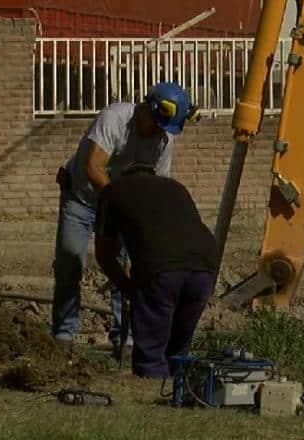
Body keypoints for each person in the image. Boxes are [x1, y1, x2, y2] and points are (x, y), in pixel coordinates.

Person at [51, 81, 199, 351]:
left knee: (127, 270)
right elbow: (94, 167)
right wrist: (123, 206)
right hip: (82, 199)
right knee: (70, 262)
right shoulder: (115, 118)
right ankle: (64, 334)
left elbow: (157, 188)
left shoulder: (163, 140)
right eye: (156, 125)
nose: (158, 133)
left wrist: (141, 228)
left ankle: (126, 338)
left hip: (122, 208)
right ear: (146, 110)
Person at [94, 163, 216, 378]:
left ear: (121, 176)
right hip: (204, 268)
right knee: (178, 346)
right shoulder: (175, 187)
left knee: (151, 349)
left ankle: (150, 384)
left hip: (161, 270)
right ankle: (177, 386)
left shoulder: (113, 191)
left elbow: (104, 253)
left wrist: (126, 286)